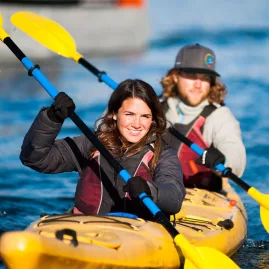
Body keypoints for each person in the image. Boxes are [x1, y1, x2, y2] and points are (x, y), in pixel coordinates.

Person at [20, 79, 186, 219]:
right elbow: (35, 158)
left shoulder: (163, 154)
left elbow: (174, 198)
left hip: (137, 237)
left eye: (145, 116)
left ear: (153, 119)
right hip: (84, 228)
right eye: (129, 114)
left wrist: (150, 189)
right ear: (114, 114)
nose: (137, 123)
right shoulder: (92, 144)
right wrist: (52, 118)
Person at [160, 43, 246, 191]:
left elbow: (234, 149)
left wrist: (224, 160)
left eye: (205, 78)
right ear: (175, 77)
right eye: (192, 76)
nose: (198, 84)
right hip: (156, 189)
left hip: (202, 194)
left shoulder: (219, 116)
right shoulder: (153, 108)